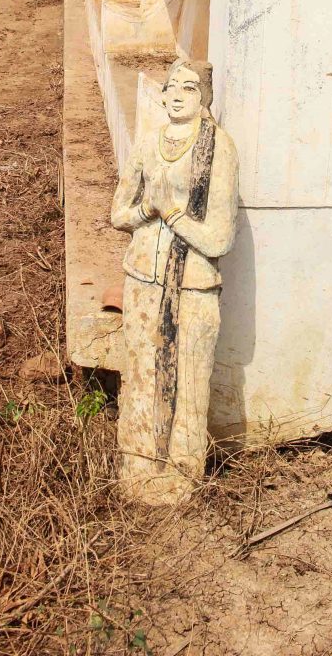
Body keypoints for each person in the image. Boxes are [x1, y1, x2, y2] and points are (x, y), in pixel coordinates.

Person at [111, 59, 239, 504]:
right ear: (161, 96)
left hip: (194, 285)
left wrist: (175, 215)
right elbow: (118, 213)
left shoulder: (219, 149)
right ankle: (138, 466)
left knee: (189, 380)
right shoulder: (147, 144)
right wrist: (148, 210)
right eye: (173, 87)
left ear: (203, 98)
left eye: (191, 87)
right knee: (143, 374)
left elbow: (220, 237)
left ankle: (182, 476)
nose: (181, 94)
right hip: (144, 276)